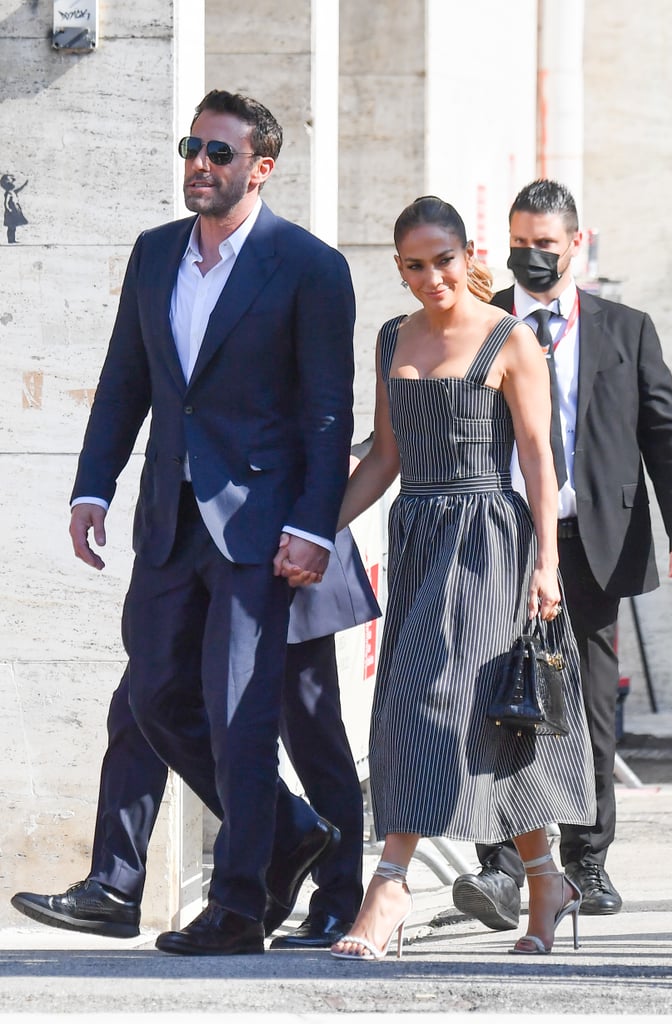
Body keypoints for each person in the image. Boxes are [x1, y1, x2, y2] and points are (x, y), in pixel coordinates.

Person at [62, 89, 356, 956]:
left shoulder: (307, 265)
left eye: (219, 153)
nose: (200, 162)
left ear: (260, 167)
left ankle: (236, 906)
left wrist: (312, 524)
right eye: (192, 146)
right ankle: (290, 828)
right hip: (168, 519)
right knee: (153, 694)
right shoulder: (154, 255)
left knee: (241, 714)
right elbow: (125, 381)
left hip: (261, 526)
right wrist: (92, 488)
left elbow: (327, 413)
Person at [329, 195, 596, 960]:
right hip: (417, 535)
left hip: (490, 542)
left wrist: (546, 563)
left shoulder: (511, 339)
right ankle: (544, 877)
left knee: (451, 705)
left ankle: (389, 886)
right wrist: (319, 531)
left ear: (468, 252)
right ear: (398, 267)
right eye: (413, 265)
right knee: (438, 709)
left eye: (442, 260)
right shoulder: (389, 338)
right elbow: (383, 456)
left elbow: (541, 459)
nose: (430, 277)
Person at [452, 178, 672, 929]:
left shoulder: (625, 329)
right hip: (501, 533)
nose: (532, 257)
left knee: (586, 699)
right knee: (492, 692)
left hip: (591, 540)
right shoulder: (480, 326)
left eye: (545, 245)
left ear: (574, 244)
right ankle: (498, 865)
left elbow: (664, 436)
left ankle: (586, 860)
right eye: (520, 244)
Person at [11, 526, 381, 950]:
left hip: (286, 551)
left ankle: (337, 902)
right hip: (201, 557)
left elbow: (335, 463)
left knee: (311, 732)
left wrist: (311, 529)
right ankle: (115, 884)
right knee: (140, 706)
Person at [1, 173, 28, 244]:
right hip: (11, 212)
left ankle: (12, 239)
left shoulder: (12, 192)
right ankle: (10, 240)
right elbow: (6, 202)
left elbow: (19, 189)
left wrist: (24, 185)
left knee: (13, 226)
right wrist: (8, 209)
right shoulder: (9, 193)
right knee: (11, 226)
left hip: (14, 211)